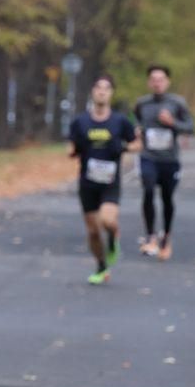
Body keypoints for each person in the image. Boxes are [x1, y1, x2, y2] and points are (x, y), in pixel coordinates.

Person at [68, 74, 139, 285]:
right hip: (87, 182)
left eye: (106, 88)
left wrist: (124, 147)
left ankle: (114, 237)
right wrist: (74, 150)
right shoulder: (80, 121)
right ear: (92, 92)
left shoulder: (120, 121)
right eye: (98, 88)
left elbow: (137, 144)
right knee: (93, 231)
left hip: (110, 181)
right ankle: (101, 266)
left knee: (107, 221)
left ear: (111, 93)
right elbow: (71, 147)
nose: (101, 91)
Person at [134, 64, 194, 260]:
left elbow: (190, 127)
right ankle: (150, 236)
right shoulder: (142, 103)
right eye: (153, 80)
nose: (157, 83)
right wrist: (137, 131)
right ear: (148, 82)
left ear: (167, 82)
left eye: (160, 80)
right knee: (148, 190)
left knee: (167, 198)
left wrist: (172, 123)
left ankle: (166, 237)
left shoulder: (177, 103)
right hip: (148, 156)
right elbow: (136, 121)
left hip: (170, 159)